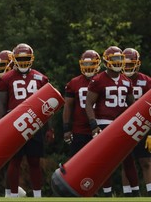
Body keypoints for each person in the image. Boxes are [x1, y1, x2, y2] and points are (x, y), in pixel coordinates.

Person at [85, 46, 140, 197]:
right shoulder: (98, 80)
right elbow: (88, 103)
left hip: (122, 124)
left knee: (128, 159)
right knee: (105, 161)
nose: (118, 62)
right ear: (106, 61)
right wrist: (93, 124)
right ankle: (107, 194)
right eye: (115, 59)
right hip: (104, 123)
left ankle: (136, 193)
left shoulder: (127, 81)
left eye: (120, 59)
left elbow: (133, 105)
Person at [0, 43, 50, 197]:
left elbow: (47, 106)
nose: (24, 61)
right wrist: (1, 126)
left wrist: (49, 128)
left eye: (27, 58)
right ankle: (13, 195)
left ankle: (38, 195)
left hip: (35, 123)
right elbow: (2, 104)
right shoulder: (6, 78)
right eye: (21, 58)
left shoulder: (42, 78)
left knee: (35, 161)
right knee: (15, 161)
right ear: (14, 59)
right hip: (15, 124)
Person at [121, 48, 151, 196]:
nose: (127, 67)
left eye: (130, 64)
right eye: (125, 64)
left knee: (146, 161)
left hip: (143, 125)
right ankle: (129, 194)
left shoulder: (147, 81)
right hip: (123, 126)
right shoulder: (118, 80)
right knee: (126, 163)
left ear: (137, 63)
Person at [63, 50, 101, 156]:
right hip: (79, 130)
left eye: (91, 63)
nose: (88, 66)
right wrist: (67, 128)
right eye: (85, 64)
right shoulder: (74, 83)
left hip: (99, 127)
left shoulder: (104, 80)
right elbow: (68, 107)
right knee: (77, 163)